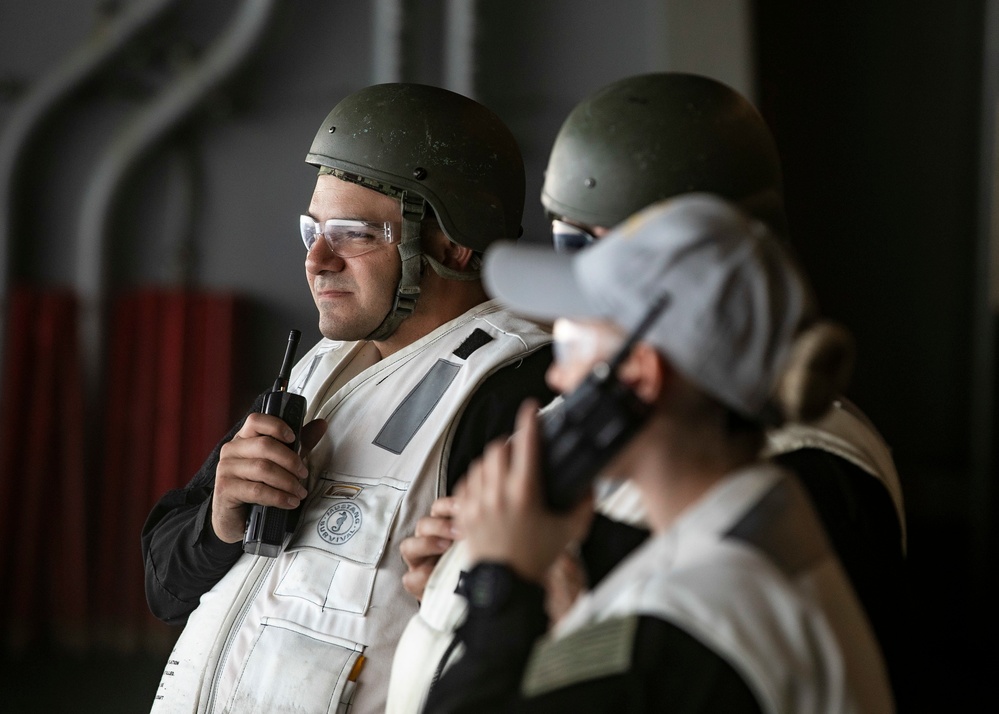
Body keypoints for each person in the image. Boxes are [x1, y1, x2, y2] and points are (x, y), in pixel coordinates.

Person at [391, 72, 906, 712]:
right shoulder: (761, 524)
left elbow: (660, 654)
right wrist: (549, 589)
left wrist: (504, 583)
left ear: (639, 373)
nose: (555, 376)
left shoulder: (683, 625)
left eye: (575, 341)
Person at [140, 83, 555, 714]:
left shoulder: (515, 393)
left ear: (453, 243)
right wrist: (219, 521)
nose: (316, 259)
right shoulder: (317, 371)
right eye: (312, 229)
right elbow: (164, 588)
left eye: (353, 233)